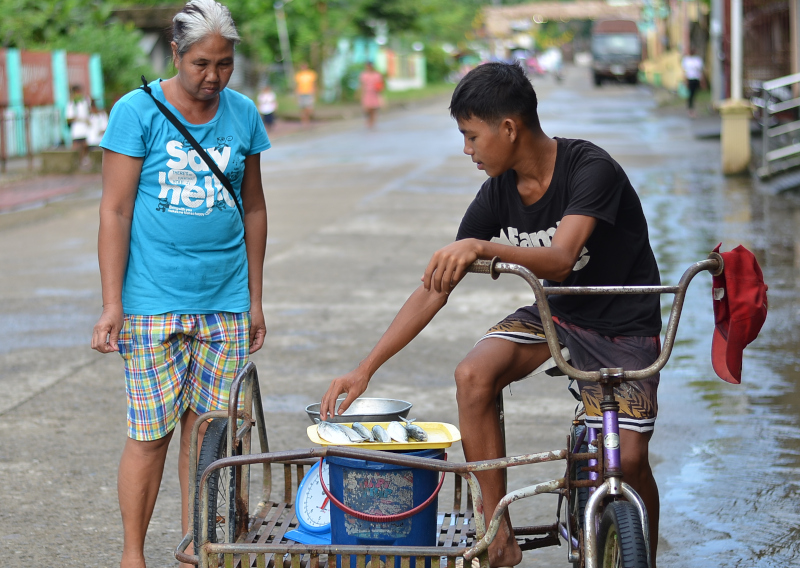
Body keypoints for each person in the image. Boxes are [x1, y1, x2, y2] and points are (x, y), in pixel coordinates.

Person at [320, 62, 662, 568]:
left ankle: (644, 553)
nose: (467, 150)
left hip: (624, 324)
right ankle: (496, 530)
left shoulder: (590, 169)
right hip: (558, 314)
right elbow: (435, 288)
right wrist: (366, 368)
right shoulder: (498, 191)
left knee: (629, 461)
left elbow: (563, 257)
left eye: (471, 135)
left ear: (509, 127)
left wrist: (482, 244)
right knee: (472, 374)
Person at [90, 1, 270, 567]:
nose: (213, 77)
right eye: (200, 64)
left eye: (223, 63)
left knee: (211, 433)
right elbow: (115, 211)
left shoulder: (242, 115)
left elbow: (255, 209)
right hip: (151, 303)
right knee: (150, 433)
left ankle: (196, 542)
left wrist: (256, 300)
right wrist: (112, 304)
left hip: (225, 303)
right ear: (175, 54)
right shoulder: (134, 112)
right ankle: (133, 554)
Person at [66, 84, 91, 165]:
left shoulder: (84, 102)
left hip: (85, 128)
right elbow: (68, 119)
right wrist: (79, 119)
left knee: (85, 145)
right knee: (76, 146)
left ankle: (84, 160)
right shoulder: (71, 105)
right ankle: (75, 162)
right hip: (76, 129)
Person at [359, 61, 384, 129]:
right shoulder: (364, 75)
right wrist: (360, 93)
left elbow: (380, 84)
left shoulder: (377, 75)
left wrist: (380, 93)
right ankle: (369, 119)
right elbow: (362, 85)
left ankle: (372, 121)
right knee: (367, 108)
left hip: (374, 93)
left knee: (374, 108)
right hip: (367, 93)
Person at [681, 47, 705, 118]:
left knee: (694, 94)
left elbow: (701, 70)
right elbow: (684, 71)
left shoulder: (698, 60)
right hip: (690, 78)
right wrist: (685, 80)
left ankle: (692, 108)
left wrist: (702, 81)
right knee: (691, 94)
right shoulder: (686, 60)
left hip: (696, 78)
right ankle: (690, 109)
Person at [294, 62, 317, 127]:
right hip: (301, 93)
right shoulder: (299, 75)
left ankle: (308, 120)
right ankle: (304, 122)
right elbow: (297, 85)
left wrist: (314, 92)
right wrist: (297, 94)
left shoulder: (311, 74)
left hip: (309, 93)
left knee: (308, 108)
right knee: (302, 108)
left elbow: (313, 84)